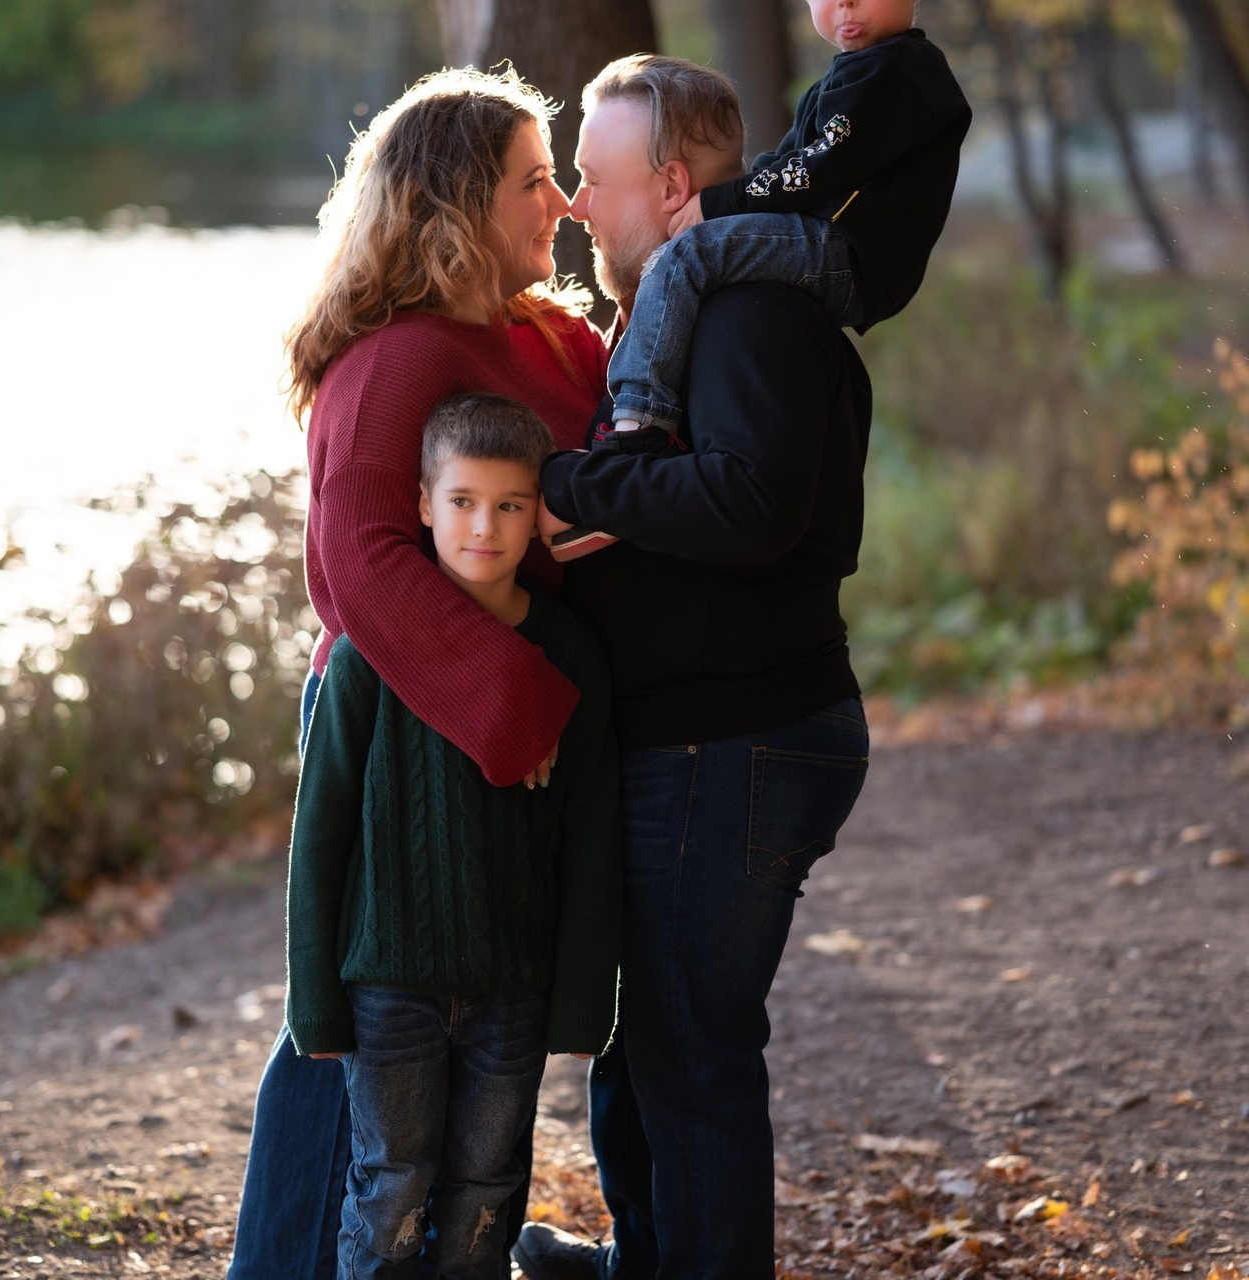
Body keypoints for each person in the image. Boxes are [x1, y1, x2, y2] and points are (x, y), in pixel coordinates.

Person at [227, 65, 609, 1280]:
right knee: (348, 1017)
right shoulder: (396, 357)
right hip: (403, 712)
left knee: (481, 1021)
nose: (558, 202)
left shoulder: (541, 329)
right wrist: (513, 703)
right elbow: (357, 556)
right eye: (531, 180)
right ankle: (281, 1263)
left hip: (522, 710)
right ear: (452, 202)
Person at [511, 55, 873, 1280]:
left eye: (590, 178)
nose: (571, 203)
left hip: (741, 736)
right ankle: (646, 1260)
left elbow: (752, 503)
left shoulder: (749, 308)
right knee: (649, 1047)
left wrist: (559, 484)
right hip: (703, 736)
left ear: (670, 186)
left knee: (691, 1052)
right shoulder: (677, 311)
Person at [285, 393, 621, 1280]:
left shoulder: (571, 654)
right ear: (424, 504)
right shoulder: (368, 656)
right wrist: (314, 998)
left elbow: (591, 835)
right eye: (464, 501)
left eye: (511, 505)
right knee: (391, 1187)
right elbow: (318, 834)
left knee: (487, 1189)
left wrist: (586, 997)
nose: (485, 527)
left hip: (513, 986)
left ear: (539, 512)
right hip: (388, 987)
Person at [548, 0, 970, 562]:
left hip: (850, 252)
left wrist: (719, 204)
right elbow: (793, 159)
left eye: (591, 179)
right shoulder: (855, 74)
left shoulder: (899, 74)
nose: (842, 3)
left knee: (686, 254)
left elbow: (813, 169)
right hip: (831, 244)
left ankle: (636, 432)